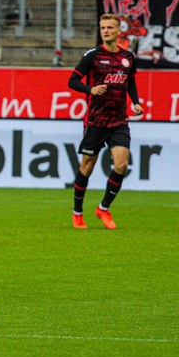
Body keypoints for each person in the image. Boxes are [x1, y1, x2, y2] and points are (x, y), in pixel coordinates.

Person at [67, 13, 143, 231]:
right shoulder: (92, 56)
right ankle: (77, 213)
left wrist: (136, 102)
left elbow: (130, 82)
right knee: (87, 167)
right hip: (96, 120)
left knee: (121, 165)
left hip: (118, 120)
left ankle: (103, 208)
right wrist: (90, 89)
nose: (106, 31)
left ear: (119, 31)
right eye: (103, 28)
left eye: (110, 27)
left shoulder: (127, 57)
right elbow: (72, 81)